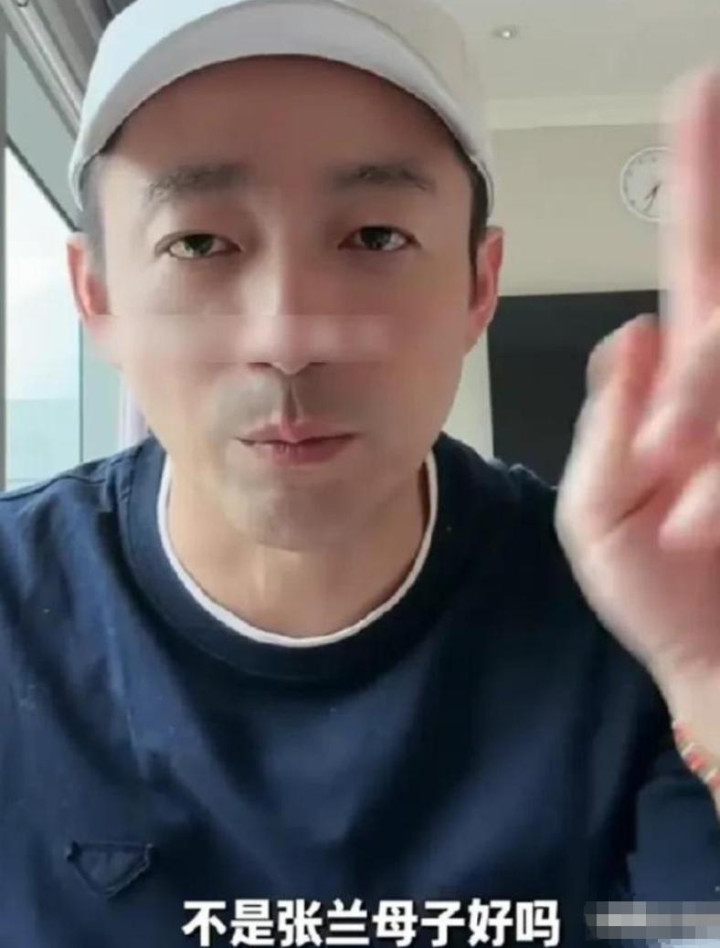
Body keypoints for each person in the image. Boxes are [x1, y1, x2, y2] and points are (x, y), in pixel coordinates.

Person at [1, 0, 719, 945]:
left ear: (478, 284)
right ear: (96, 296)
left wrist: (709, 675)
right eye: (199, 243)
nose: (289, 338)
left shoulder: (642, 614)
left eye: (376, 237)